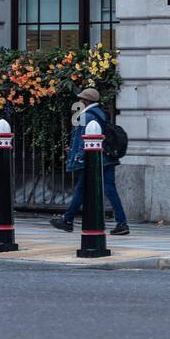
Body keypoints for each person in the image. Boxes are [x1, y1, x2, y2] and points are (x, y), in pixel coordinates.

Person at [50, 86, 129, 236]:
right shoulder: (100, 113)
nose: (79, 101)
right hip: (107, 158)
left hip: (93, 159)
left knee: (81, 190)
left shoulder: (87, 116)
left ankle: (68, 220)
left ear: (86, 101)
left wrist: (78, 156)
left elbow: (82, 139)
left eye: (81, 99)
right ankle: (122, 223)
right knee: (110, 191)